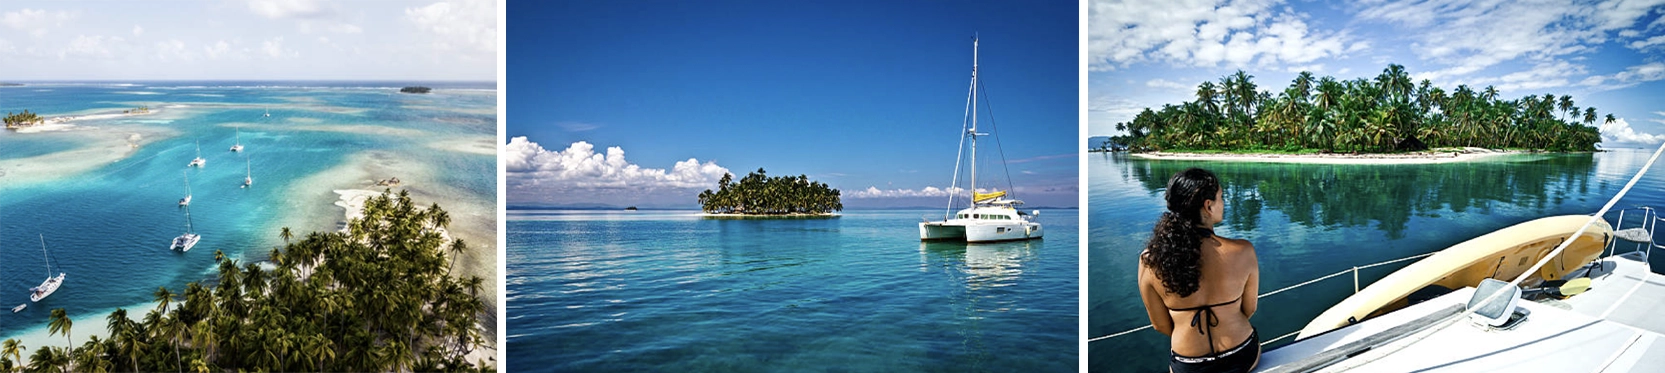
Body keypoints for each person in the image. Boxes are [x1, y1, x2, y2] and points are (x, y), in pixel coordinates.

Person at [1138, 168, 1260, 373]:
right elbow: (1249, 309)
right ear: (1208, 205)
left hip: (1188, 365)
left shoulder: (1149, 260)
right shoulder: (1243, 251)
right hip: (1241, 354)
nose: (1224, 203)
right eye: (1221, 197)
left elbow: (1160, 325)